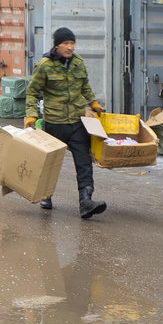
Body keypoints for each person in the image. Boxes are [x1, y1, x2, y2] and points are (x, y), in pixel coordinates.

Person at [25, 27, 108, 219]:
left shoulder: (78, 62)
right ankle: (45, 196)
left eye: (72, 43)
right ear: (57, 45)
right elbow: (32, 92)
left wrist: (92, 101)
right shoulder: (44, 66)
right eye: (66, 44)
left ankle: (86, 201)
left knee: (84, 162)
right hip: (54, 123)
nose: (70, 47)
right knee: (49, 163)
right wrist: (31, 115)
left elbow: (84, 84)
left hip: (77, 122)